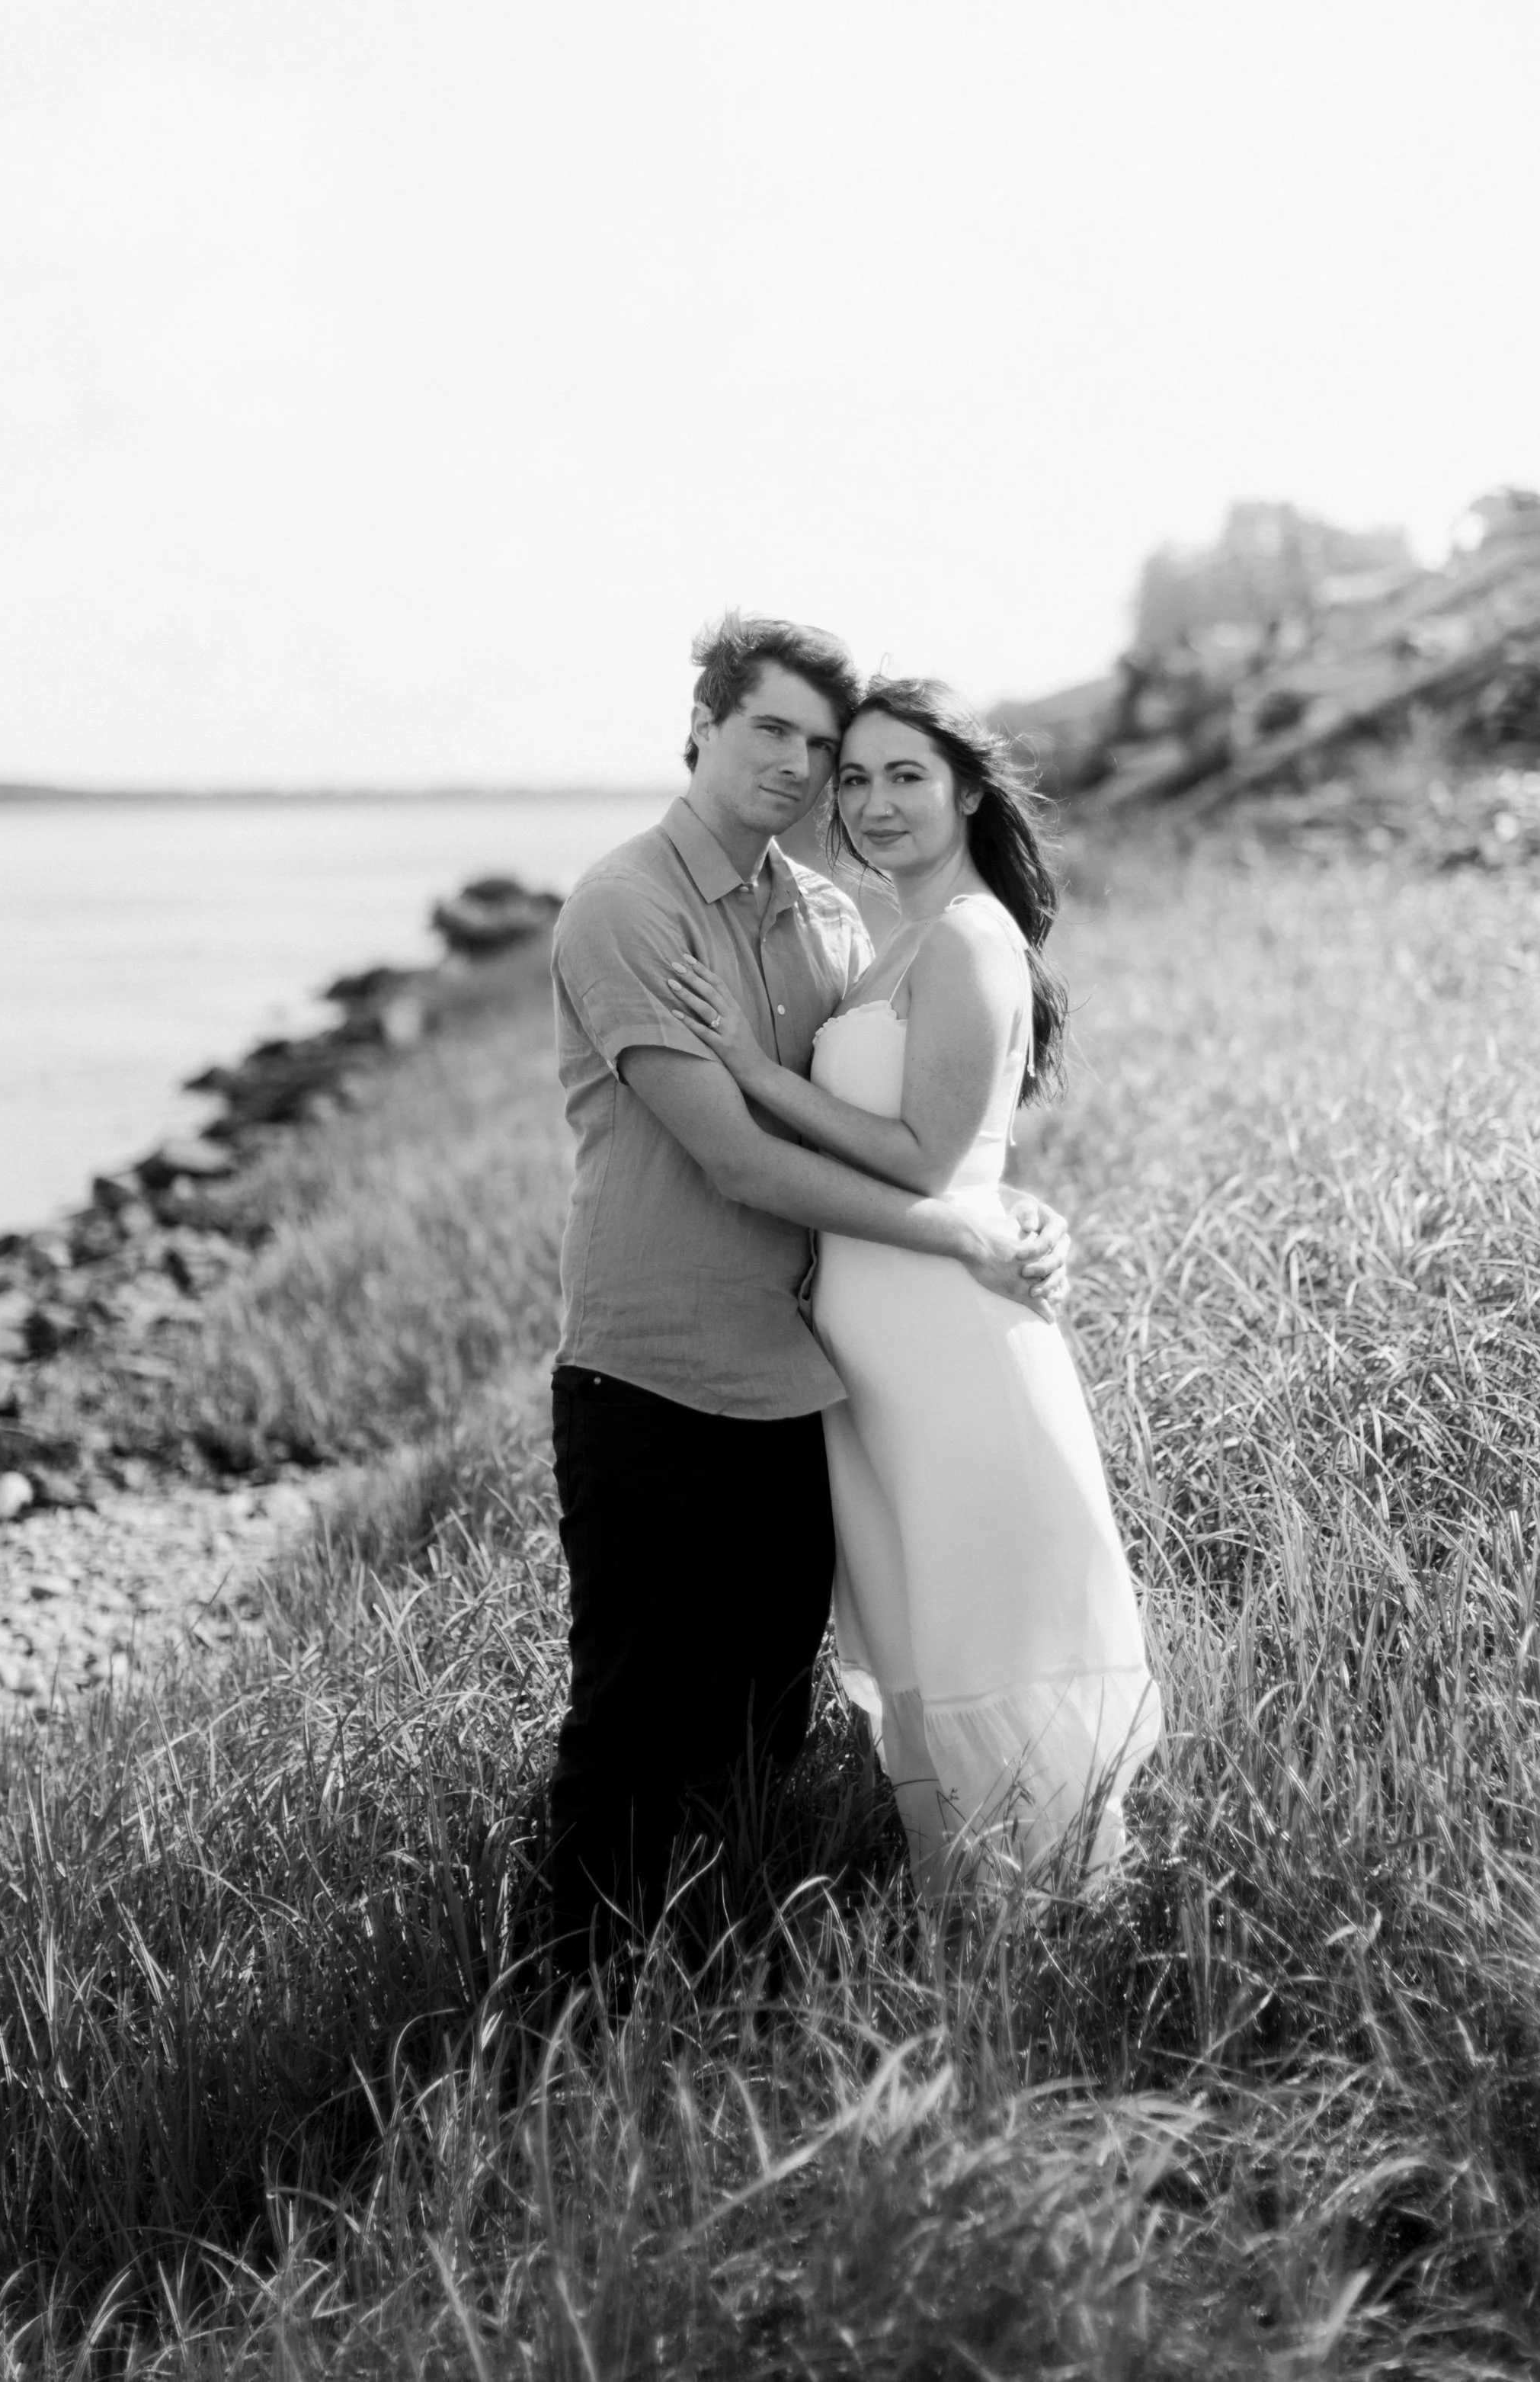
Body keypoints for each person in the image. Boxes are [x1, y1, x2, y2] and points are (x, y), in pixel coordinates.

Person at [546, 617, 1071, 1970]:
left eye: (825, 749)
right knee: (633, 1720)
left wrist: (994, 1208)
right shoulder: (628, 906)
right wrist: (958, 1231)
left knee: (770, 1720)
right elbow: (732, 1157)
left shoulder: (836, 919)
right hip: (653, 1370)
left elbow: (912, 1119)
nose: (801, 766)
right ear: (704, 728)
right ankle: (568, 2015)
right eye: (771, 730)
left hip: (811, 1379)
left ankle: (721, 1980)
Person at [666, 677, 1161, 1899]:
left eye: (906, 777)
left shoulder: (970, 933)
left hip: (950, 1330)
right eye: (855, 778)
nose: (874, 802)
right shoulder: (893, 934)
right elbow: (967, 1152)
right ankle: (968, 1920)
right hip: (879, 1346)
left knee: (984, 1615)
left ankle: (1045, 1925)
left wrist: (743, 1069)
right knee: (917, 1631)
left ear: (969, 791)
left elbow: (926, 1157)